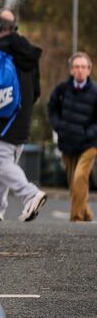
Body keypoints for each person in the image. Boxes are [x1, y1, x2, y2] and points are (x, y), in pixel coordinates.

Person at [0, 8, 47, 221]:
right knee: (4, 162)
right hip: (22, 117)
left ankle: (30, 194)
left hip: (2, 117)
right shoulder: (28, 52)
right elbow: (36, 91)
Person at [48, 52, 97, 222]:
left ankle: (76, 219)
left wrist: (88, 133)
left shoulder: (95, 92)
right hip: (67, 143)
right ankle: (87, 215)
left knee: (79, 177)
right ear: (71, 70)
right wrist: (59, 126)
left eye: (83, 67)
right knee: (74, 185)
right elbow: (52, 108)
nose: (80, 70)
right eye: (77, 67)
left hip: (89, 144)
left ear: (89, 70)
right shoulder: (62, 89)